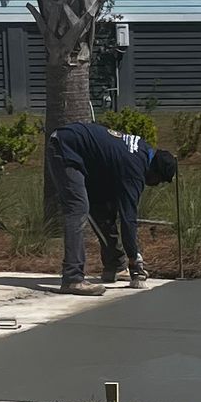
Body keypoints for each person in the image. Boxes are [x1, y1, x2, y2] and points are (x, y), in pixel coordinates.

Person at [45, 120, 178, 294]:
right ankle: (72, 278)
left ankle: (114, 265)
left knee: (101, 207)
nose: (154, 184)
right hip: (67, 148)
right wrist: (134, 258)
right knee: (77, 209)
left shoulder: (141, 152)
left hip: (76, 148)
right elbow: (128, 218)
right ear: (155, 171)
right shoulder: (135, 168)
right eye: (158, 181)